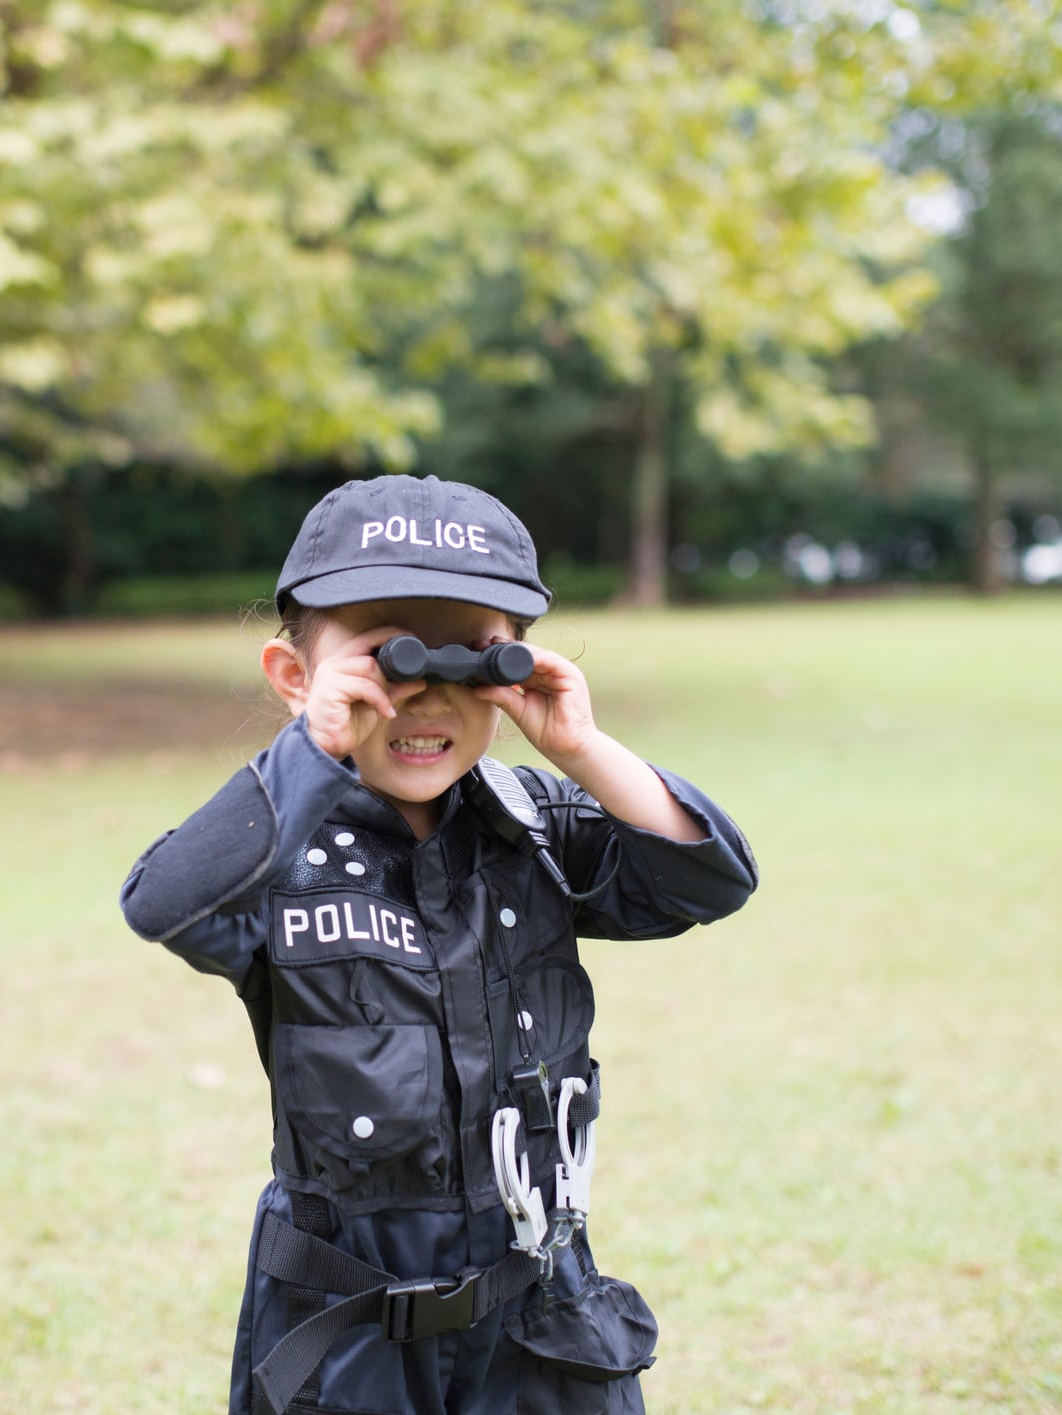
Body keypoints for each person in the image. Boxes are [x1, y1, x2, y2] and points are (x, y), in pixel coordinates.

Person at [119, 475, 758, 1415]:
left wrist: (580, 747)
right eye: (387, 657)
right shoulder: (279, 848)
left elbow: (710, 878)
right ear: (297, 675)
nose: (427, 696)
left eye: (472, 659)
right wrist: (315, 748)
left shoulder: (531, 822)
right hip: (347, 1326)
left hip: (538, 1305)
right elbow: (166, 904)